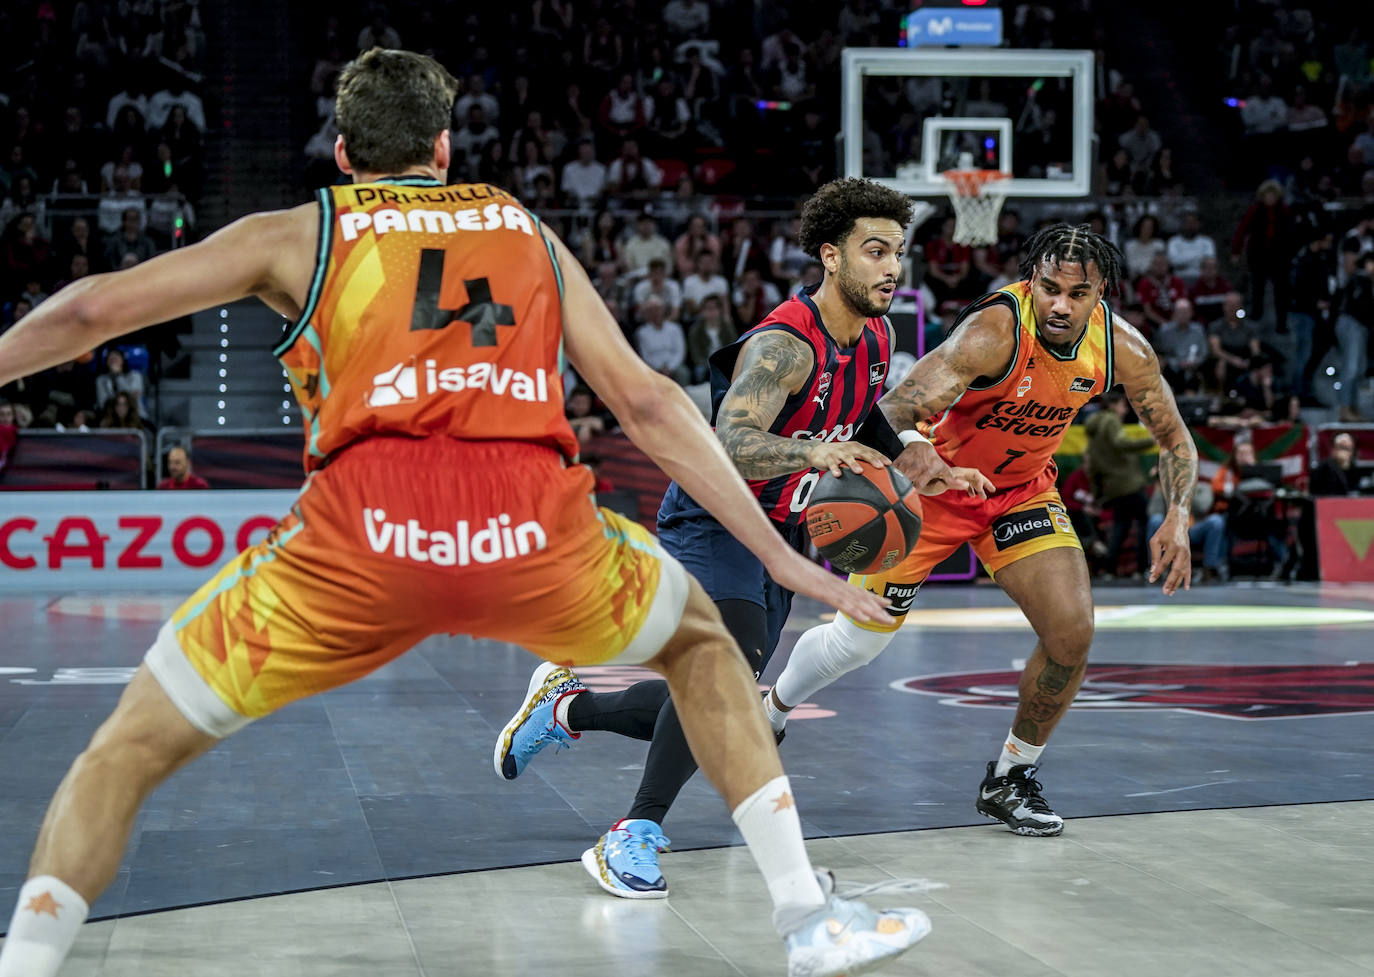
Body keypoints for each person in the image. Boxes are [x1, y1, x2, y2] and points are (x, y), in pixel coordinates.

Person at [0, 50, 927, 977]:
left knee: (122, 752)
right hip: (531, 534)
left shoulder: (299, 231)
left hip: (357, 545)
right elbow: (649, 403)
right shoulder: (522, 230)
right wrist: (785, 558)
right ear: (443, 148)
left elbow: (87, 314)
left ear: (343, 154)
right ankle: (806, 918)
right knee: (706, 650)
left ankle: (29, 961)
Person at [494, 177, 986, 902]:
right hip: (713, 516)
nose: (892, 267)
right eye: (875, 251)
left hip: (779, 529)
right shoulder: (785, 343)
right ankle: (631, 832)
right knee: (727, 673)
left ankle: (567, 709)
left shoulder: (877, 337)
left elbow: (866, 422)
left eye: (897, 252)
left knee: (725, 704)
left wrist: (927, 463)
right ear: (831, 255)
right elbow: (730, 440)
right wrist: (813, 452)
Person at [765, 224, 1198, 836]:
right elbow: (891, 410)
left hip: (1019, 492)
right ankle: (775, 707)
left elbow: (1175, 438)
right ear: (1031, 281)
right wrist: (923, 461)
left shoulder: (1123, 349)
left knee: (1071, 634)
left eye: (1077, 294)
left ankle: (1011, 777)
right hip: (932, 491)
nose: (1060, 305)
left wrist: (1178, 514)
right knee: (857, 645)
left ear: (1101, 292)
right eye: (1049, 289)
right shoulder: (994, 332)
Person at [1085, 390, 1154, 578]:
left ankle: (1109, 569)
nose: (1125, 410)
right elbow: (1120, 442)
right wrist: (1151, 441)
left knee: (1121, 527)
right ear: (1113, 405)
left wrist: (1097, 493)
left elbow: (1093, 467)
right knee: (1144, 524)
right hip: (1129, 484)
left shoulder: (1094, 428)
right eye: (1123, 405)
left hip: (1113, 487)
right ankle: (1141, 569)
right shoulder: (1111, 421)